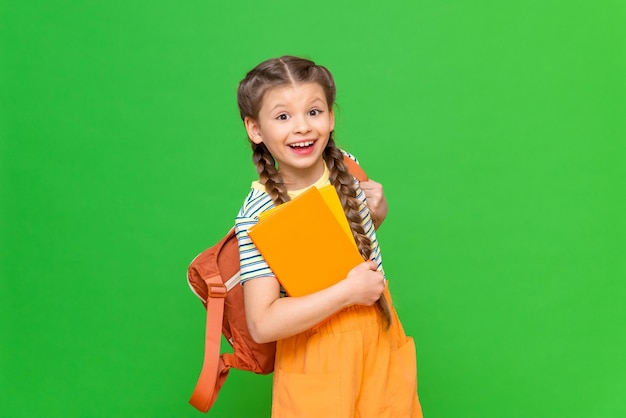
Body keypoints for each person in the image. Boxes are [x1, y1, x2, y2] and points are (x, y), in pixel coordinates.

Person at [234, 55, 423, 418]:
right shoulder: (259, 214)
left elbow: (337, 251)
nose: (302, 127)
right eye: (283, 116)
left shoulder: (346, 166)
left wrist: (376, 214)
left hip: (381, 341)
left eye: (314, 111)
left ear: (331, 116)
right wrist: (348, 293)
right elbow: (262, 323)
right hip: (317, 360)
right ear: (255, 129)